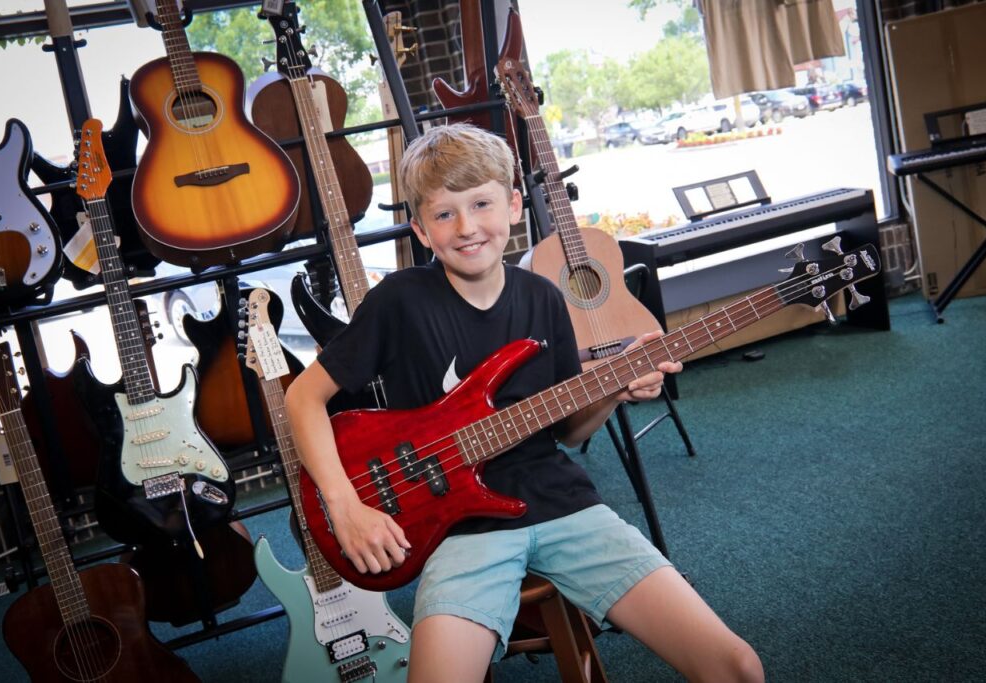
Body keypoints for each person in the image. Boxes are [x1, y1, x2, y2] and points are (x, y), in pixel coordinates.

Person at [285, 123, 764, 683]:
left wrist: (614, 385)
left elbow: (568, 433)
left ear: (513, 205)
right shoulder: (400, 302)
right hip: (459, 527)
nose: (466, 228)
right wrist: (345, 507)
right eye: (444, 214)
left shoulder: (543, 297)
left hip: (560, 504)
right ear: (420, 229)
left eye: (482, 204)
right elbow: (303, 398)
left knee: (738, 667)